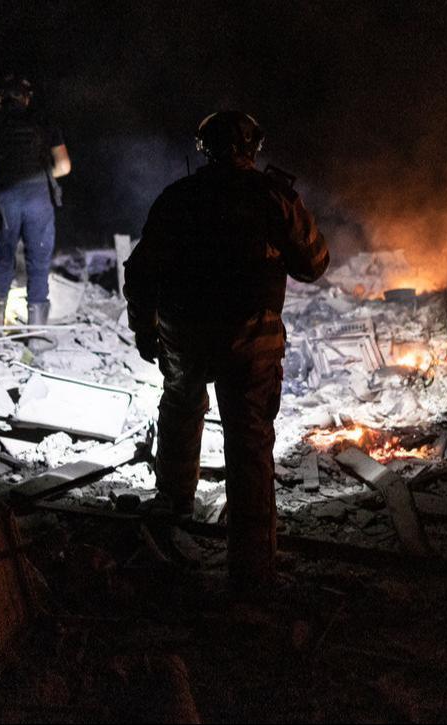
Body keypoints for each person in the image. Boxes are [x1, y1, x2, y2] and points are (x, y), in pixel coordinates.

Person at [123, 110, 329, 590]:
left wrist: (144, 330)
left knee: (181, 408)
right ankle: (252, 570)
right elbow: (315, 263)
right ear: (253, 147)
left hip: (185, 335)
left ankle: (173, 514)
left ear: (205, 148)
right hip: (249, 337)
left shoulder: (177, 197)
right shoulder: (271, 197)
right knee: (249, 439)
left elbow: (141, 271)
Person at [0, 73, 71, 331]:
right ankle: (36, 333)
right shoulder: (45, 121)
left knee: (3, 258)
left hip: (6, 200)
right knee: (38, 262)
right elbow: (64, 166)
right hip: (39, 201)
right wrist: (41, 175)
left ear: (0, 97)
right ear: (26, 97)